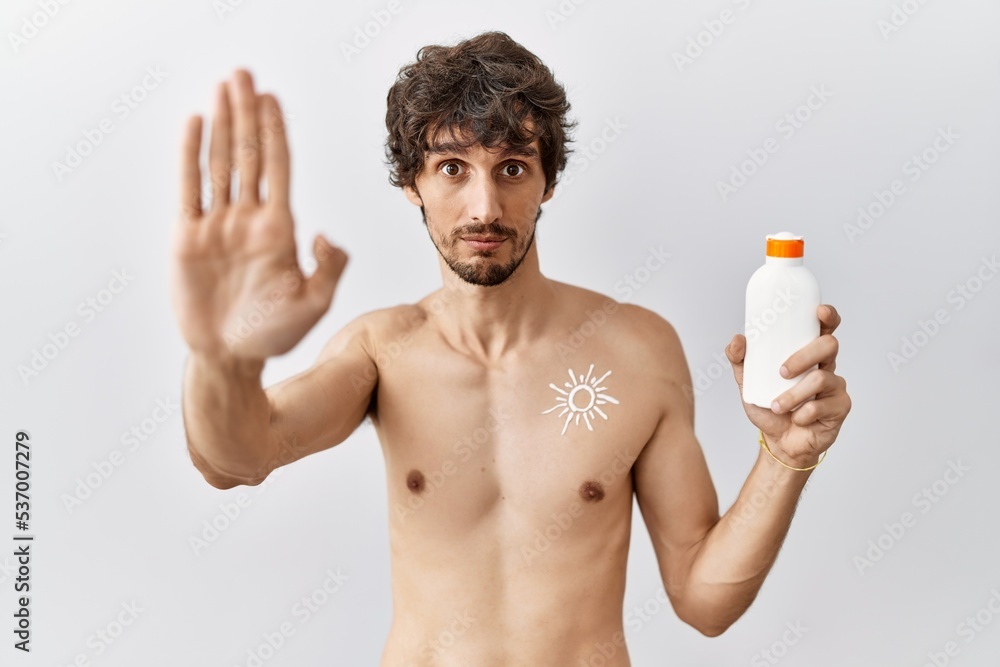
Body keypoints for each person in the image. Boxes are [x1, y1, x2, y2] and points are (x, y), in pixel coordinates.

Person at [171, 31, 851, 666]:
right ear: (412, 183)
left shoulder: (638, 350)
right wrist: (219, 353)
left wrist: (787, 458)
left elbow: (704, 601)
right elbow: (236, 455)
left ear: (548, 181)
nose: (484, 206)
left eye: (513, 168)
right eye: (452, 167)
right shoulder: (383, 350)